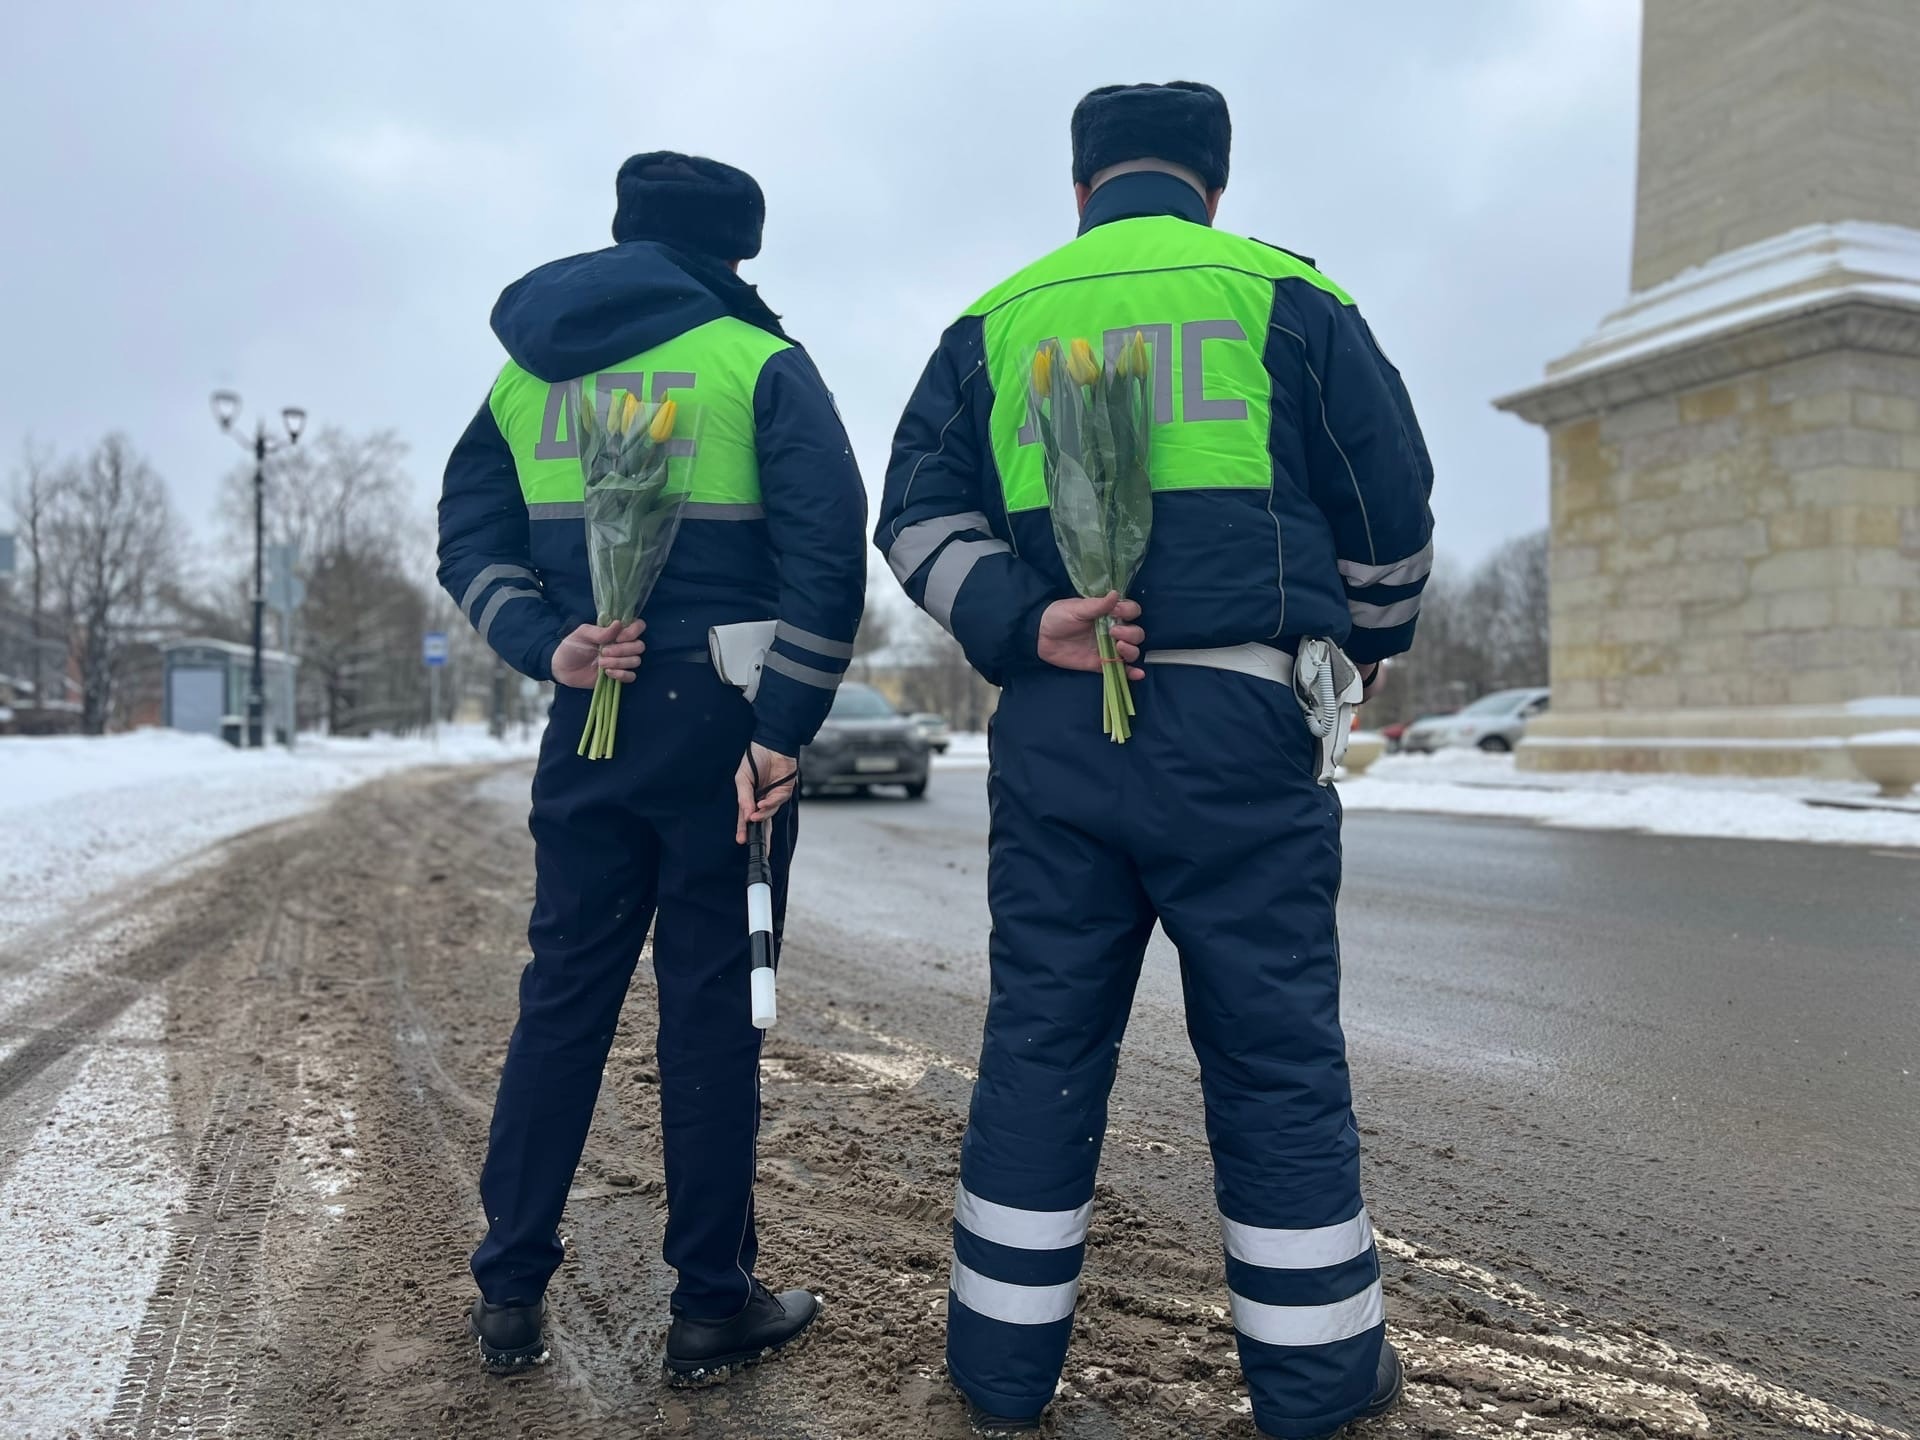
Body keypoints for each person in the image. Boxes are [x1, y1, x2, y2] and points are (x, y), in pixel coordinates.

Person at [876, 83, 1434, 1440]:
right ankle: (1314, 1384)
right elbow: (1390, 508)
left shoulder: (998, 321)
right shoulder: (1286, 297)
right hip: (1245, 728)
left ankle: (1000, 1373)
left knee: (1042, 1044)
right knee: (1276, 1052)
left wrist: (1022, 619)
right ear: (1213, 189)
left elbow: (916, 520)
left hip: (1058, 726)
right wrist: (1359, 644)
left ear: (1079, 191)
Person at [438, 151, 866, 1380]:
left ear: (623, 234)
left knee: (562, 1000)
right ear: (737, 252)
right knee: (712, 1020)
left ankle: (509, 1290)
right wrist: (782, 726)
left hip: (591, 722)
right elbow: (826, 563)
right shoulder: (755, 361)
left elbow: (465, 535)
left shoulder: (524, 377)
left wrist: (546, 641)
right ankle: (708, 1306)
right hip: (723, 736)